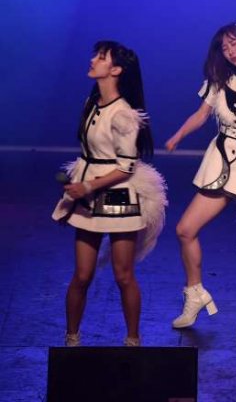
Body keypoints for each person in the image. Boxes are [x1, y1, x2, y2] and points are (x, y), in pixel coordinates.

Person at [53, 41, 167, 347]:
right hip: (88, 197)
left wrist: (88, 186)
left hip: (117, 197)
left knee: (123, 275)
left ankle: (133, 340)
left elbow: (126, 168)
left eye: (101, 57)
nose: (93, 60)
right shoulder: (91, 104)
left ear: (115, 70)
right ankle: (71, 340)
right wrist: (78, 189)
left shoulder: (123, 115)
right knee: (82, 275)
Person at [166, 23, 236, 336]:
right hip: (221, 163)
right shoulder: (220, 79)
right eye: (225, 48)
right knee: (185, 229)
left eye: (234, 43)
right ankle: (195, 294)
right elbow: (202, 114)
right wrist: (178, 135)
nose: (230, 51)